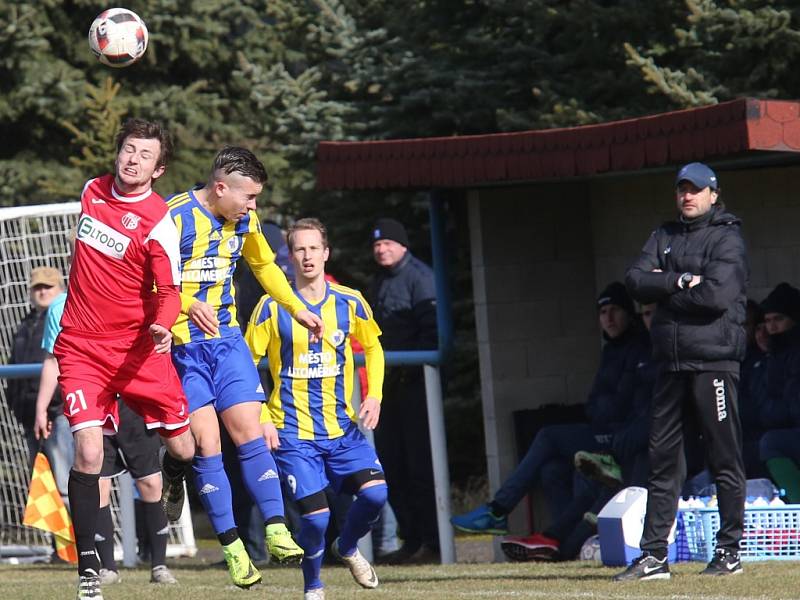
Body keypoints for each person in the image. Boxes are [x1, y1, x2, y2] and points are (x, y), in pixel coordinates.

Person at [163, 147, 324, 588]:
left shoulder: (244, 221)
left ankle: (276, 529)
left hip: (228, 340)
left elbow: (264, 265)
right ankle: (233, 546)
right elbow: (146, 283)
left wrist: (295, 307)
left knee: (250, 433)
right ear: (220, 188)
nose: (253, 206)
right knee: (206, 443)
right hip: (181, 345)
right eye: (248, 197)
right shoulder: (172, 218)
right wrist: (186, 303)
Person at [51, 118, 196, 600]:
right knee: (89, 451)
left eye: (144, 155)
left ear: (159, 170)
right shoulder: (92, 191)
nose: (132, 159)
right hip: (82, 347)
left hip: (139, 352)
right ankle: (89, 570)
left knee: (183, 449)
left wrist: (162, 322)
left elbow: (169, 289)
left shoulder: (158, 220)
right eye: (128, 149)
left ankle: (175, 481)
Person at [451, 282, 649, 559]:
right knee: (552, 470)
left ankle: (498, 510)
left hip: (618, 438)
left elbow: (622, 405)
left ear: (630, 313)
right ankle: (557, 541)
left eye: (615, 310)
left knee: (549, 436)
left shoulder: (641, 348)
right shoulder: (611, 351)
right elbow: (597, 403)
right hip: (602, 431)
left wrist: (605, 415)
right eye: (603, 312)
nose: (609, 318)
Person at [246, 217, 388, 600]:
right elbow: (244, 364)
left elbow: (373, 347)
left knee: (376, 494)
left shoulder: (349, 301)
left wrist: (373, 395)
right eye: (299, 249)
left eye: (314, 248)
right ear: (288, 257)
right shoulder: (271, 307)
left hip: (342, 429)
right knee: (316, 517)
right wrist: (260, 418)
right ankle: (313, 586)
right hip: (292, 433)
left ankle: (348, 547)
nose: (307, 256)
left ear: (326, 253)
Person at [618, 161, 747, 581]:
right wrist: (680, 282)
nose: (686, 196)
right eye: (681, 189)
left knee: (723, 457)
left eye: (695, 189)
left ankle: (729, 552)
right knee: (662, 462)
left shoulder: (728, 237)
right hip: (670, 364)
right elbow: (635, 280)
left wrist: (665, 289)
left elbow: (716, 296)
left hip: (712, 363)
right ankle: (654, 556)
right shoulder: (664, 235)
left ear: (713, 193)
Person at [368, 217, 438, 563]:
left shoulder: (421, 279)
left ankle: (431, 541)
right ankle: (411, 540)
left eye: (388, 243)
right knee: (392, 464)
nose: (382, 249)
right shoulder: (379, 281)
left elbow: (431, 332)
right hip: (388, 388)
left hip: (416, 388)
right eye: (377, 244)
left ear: (403, 245)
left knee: (420, 467)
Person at [95, 398, 178, 585]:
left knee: (151, 483)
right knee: (97, 484)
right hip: (96, 409)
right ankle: (108, 568)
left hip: (133, 406)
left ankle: (159, 566)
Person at [10, 267, 72, 508]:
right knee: (44, 492)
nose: (42, 292)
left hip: (59, 416)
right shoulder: (25, 325)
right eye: (37, 287)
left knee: (67, 485)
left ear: (60, 288)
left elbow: (57, 365)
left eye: (48, 286)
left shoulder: (65, 317)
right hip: (32, 418)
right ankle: (58, 546)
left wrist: (51, 406)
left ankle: (81, 544)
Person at [756, 283, 800, 501]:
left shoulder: (794, 353)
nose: (772, 327)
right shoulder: (775, 354)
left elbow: (791, 407)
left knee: (771, 442)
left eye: (779, 319)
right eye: (768, 320)